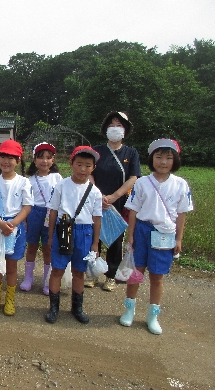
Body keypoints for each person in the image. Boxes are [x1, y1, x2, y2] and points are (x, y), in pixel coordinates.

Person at [120, 139, 193, 335]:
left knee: (157, 276)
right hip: (142, 230)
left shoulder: (180, 184)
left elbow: (182, 214)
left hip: (165, 234)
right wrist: (131, 235)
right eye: (159, 157)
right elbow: (133, 210)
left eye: (168, 158)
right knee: (136, 272)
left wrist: (179, 239)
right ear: (152, 159)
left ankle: (153, 316)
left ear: (175, 160)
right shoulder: (143, 182)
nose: (163, 162)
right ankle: (129, 310)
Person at [45, 146, 102, 324]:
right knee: (58, 269)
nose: (83, 169)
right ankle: (54, 307)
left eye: (88, 165)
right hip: (64, 228)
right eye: (79, 164)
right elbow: (53, 211)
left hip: (85, 232)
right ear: (71, 164)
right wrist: (50, 235)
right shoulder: (61, 185)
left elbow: (97, 219)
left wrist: (95, 243)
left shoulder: (94, 191)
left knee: (79, 271)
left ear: (93, 167)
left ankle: (77, 307)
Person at [88, 111, 141, 291]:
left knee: (115, 239)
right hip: (96, 200)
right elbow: (89, 172)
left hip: (118, 203)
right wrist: (98, 195)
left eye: (119, 125)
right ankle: (92, 273)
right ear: (106, 129)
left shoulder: (131, 153)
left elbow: (133, 177)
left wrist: (114, 196)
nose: (115, 128)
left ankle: (111, 275)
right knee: (95, 237)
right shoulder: (97, 150)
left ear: (125, 130)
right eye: (112, 124)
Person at [0, 140, 33, 316]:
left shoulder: (23, 182)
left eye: (11, 158)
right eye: (3, 156)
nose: (6, 161)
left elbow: (27, 207)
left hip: (16, 227)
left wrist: (13, 224)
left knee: (12, 267)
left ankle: (10, 300)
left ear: (18, 161)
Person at [20, 143, 63, 295]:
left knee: (48, 248)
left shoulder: (57, 178)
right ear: (34, 159)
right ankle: (28, 278)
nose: (44, 161)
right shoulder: (29, 179)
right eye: (41, 157)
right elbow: (25, 201)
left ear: (53, 160)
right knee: (31, 246)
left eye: (48, 158)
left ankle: (47, 280)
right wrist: (24, 219)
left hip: (50, 215)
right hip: (33, 214)